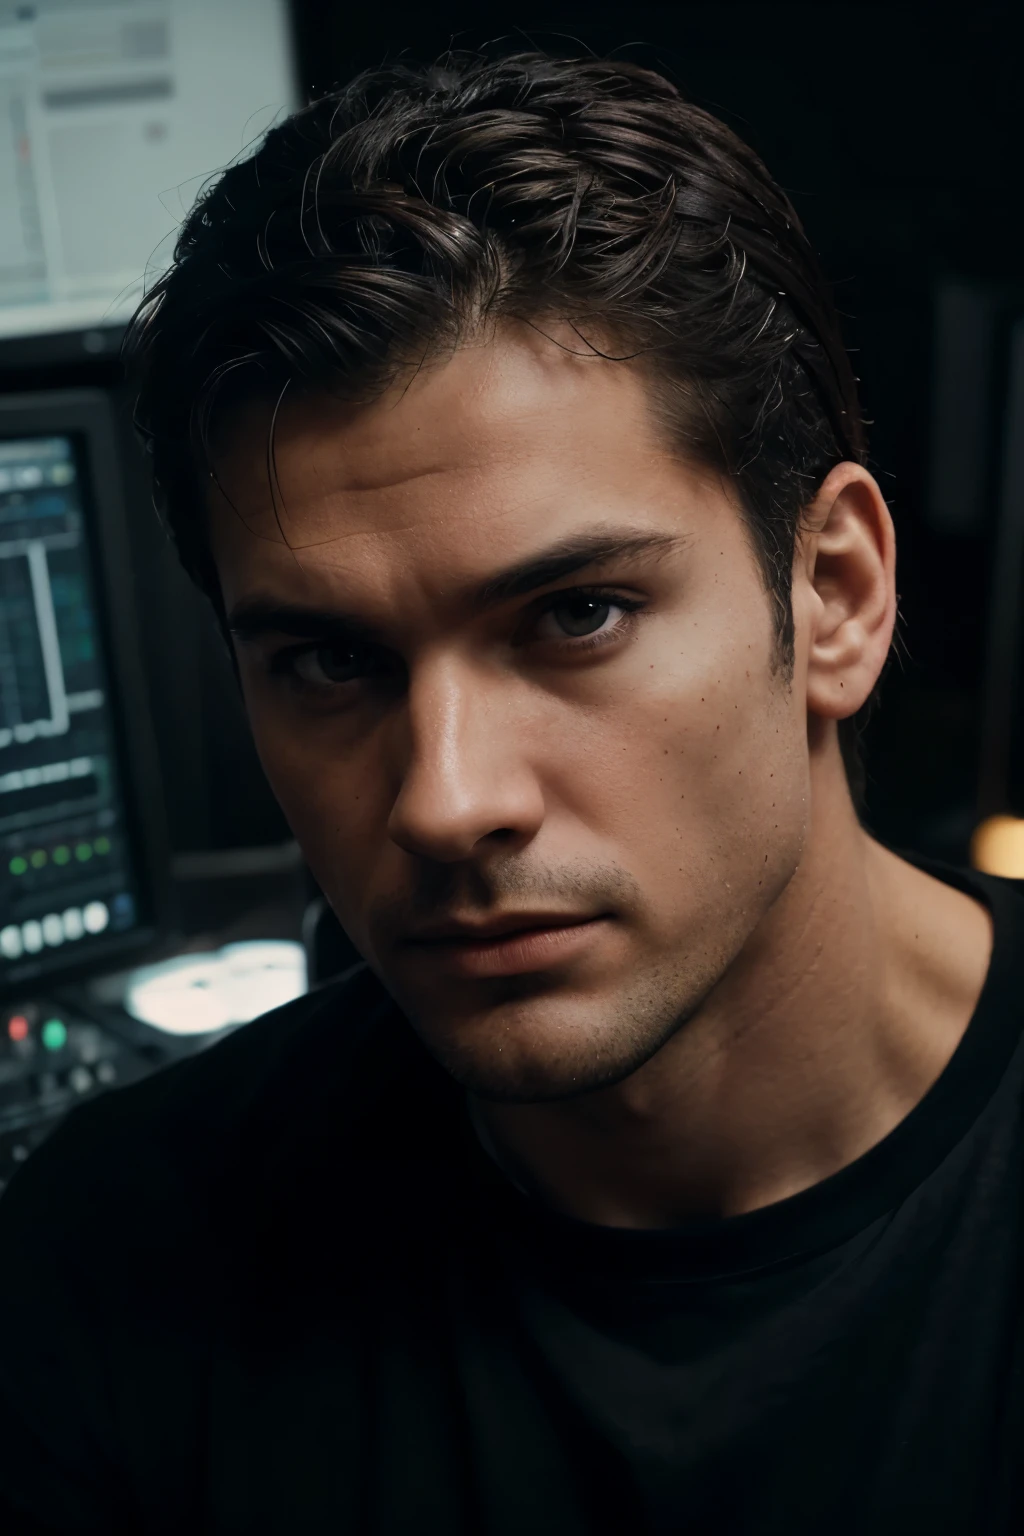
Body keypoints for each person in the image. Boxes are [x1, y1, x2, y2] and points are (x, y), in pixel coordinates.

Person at [0, 47, 1020, 1536]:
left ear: (838, 597)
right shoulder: (114, 1259)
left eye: (577, 615)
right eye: (332, 664)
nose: (444, 801)